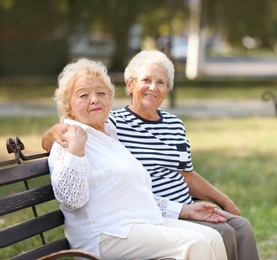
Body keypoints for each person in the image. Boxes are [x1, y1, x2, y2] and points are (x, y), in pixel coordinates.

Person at [43, 50, 259, 260]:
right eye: (83, 95)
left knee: (212, 237)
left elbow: (139, 192)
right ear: (68, 105)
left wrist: (186, 209)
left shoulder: (109, 135)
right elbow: (72, 200)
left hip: (137, 222)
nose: (94, 100)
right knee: (198, 243)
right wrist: (73, 149)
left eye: (101, 93)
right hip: (105, 234)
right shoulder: (71, 138)